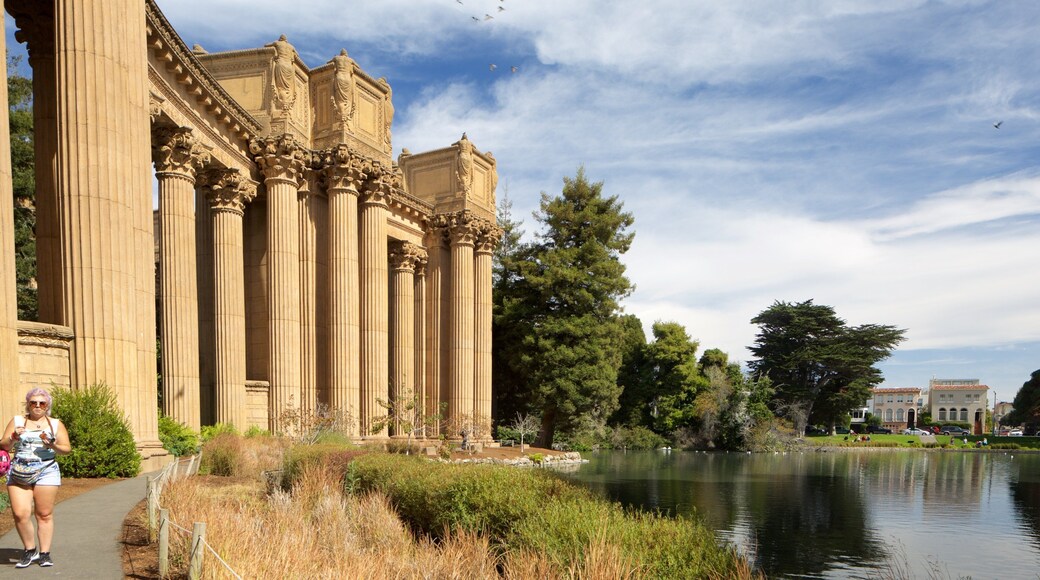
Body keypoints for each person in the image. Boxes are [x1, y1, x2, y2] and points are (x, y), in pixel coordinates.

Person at [1, 388, 72, 568]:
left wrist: (53, 444)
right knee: (20, 514)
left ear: (47, 405)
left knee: (44, 514)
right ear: (28, 404)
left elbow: (66, 449)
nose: (38, 406)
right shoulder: (17, 421)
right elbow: (3, 445)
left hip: (46, 470)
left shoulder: (55, 424)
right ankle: (30, 550)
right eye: (34, 402)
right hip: (19, 469)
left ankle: (45, 554)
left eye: (42, 403)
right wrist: (13, 436)